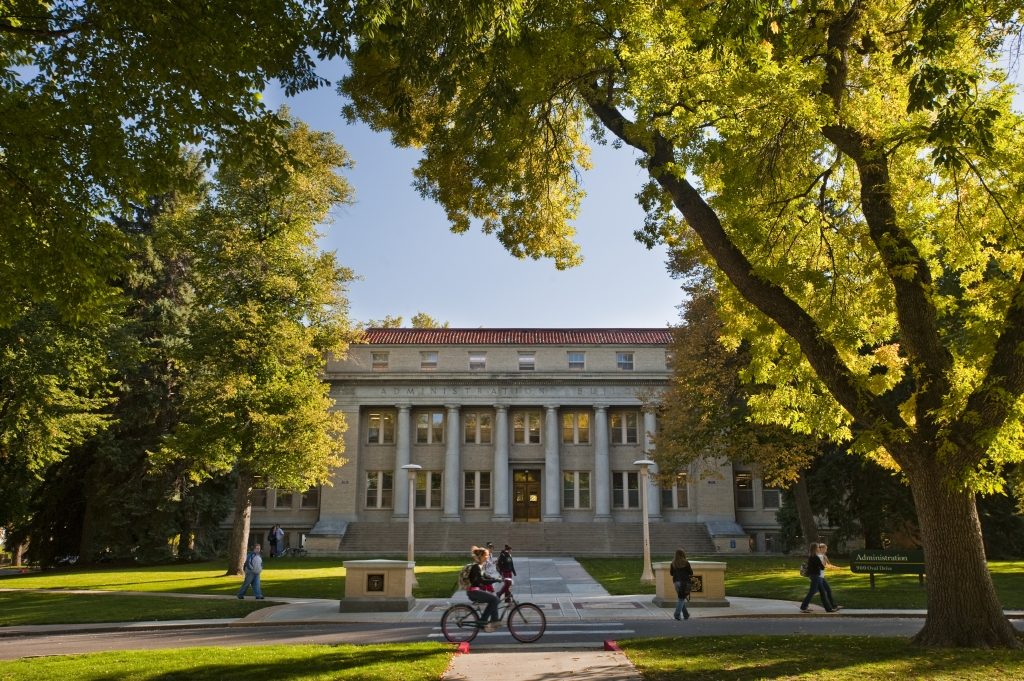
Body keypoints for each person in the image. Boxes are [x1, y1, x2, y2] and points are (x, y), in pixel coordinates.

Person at [466, 545, 502, 631]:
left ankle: (493, 620)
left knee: (494, 599)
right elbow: (482, 580)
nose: (487, 558)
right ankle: (485, 621)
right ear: (480, 556)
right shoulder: (476, 567)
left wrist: (497, 579)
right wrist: (495, 581)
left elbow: (486, 576)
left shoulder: (480, 566)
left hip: (475, 591)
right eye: (485, 556)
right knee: (495, 599)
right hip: (474, 592)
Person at [800, 542, 836, 613]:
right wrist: (823, 561)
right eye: (817, 547)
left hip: (814, 576)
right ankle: (803, 607)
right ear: (815, 548)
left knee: (822, 592)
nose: (818, 548)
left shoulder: (811, 556)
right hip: (816, 576)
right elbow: (822, 567)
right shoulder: (815, 557)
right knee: (813, 591)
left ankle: (828, 609)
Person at [669, 548, 694, 621]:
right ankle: (677, 614)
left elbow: (671, 573)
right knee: (681, 598)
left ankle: (686, 614)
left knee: (681, 598)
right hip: (685, 582)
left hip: (676, 582)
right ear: (683, 554)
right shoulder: (686, 562)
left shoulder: (673, 563)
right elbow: (691, 573)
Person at [818, 543, 840, 610]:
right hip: (817, 577)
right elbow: (823, 566)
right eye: (825, 549)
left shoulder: (823, 556)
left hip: (821, 577)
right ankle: (830, 607)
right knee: (822, 592)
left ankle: (833, 606)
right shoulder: (819, 556)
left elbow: (827, 565)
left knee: (827, 590)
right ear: (821, 548)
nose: (826, 550)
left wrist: (835, 567)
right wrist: (834, 567)